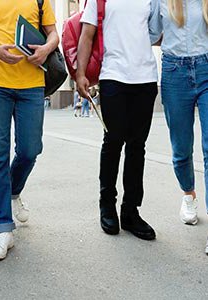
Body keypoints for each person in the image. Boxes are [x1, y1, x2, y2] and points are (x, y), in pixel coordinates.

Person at [0, 0, 59, 260]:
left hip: (32, 84)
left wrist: (46, 49)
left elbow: (53, 34)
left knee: (30, 149)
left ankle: (14, 189)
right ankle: (2, 229)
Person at [77, 0, 159, 240]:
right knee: (113, 141)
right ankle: (107, 205)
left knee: (137, 146)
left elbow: (155, 32)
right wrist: (80, 74)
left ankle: (131, 211)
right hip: (113, 75)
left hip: (145, 78)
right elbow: (87, 34)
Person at [149, 0, 208, 249]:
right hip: (174, 71)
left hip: (206, 66)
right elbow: (150, 33)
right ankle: (188, 194)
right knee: (181, 150)